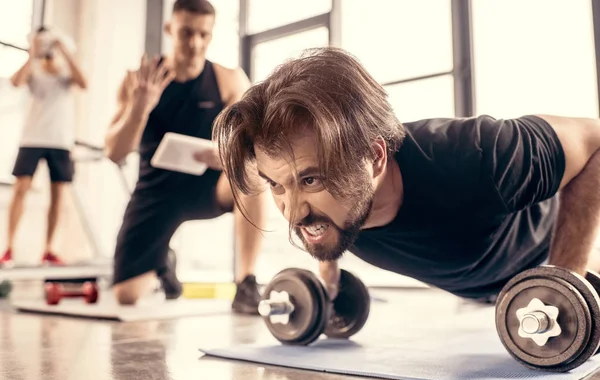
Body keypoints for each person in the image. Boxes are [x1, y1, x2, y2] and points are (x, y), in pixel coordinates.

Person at [212, 46, 600, 304]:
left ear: (375, 158)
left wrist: (564, 278)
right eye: (276, 185)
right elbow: (314, 218)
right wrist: (328, 280)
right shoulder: (334, 209)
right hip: (499, 299)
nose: (293, 213)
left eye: (312, 180)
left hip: (573, 259)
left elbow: (595, 141)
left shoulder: (483, 156)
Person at [104, 0, 266, 313]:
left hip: (207, 187)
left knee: (251, 172)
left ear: (211, 34)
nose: (195, 43)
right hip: (155, 192)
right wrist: (140, 106)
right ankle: (163, 263)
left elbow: (252, 144)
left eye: (203, 35)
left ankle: (246, 282)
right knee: (127, 295)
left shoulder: (229, 79)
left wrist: (229, 154)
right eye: (186, 33)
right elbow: (114, 152)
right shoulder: (139, 79)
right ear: (170, 30)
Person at [0, 27, 87, 268]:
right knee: (21, 189)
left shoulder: (67, 71)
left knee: (58, 195)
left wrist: (64, 49)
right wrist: (32, 54)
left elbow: (84, 83)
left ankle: (48, 250)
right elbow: (15, 83)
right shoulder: (33, 69)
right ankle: (9, 248)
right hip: (32, 138)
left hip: (60, 140)